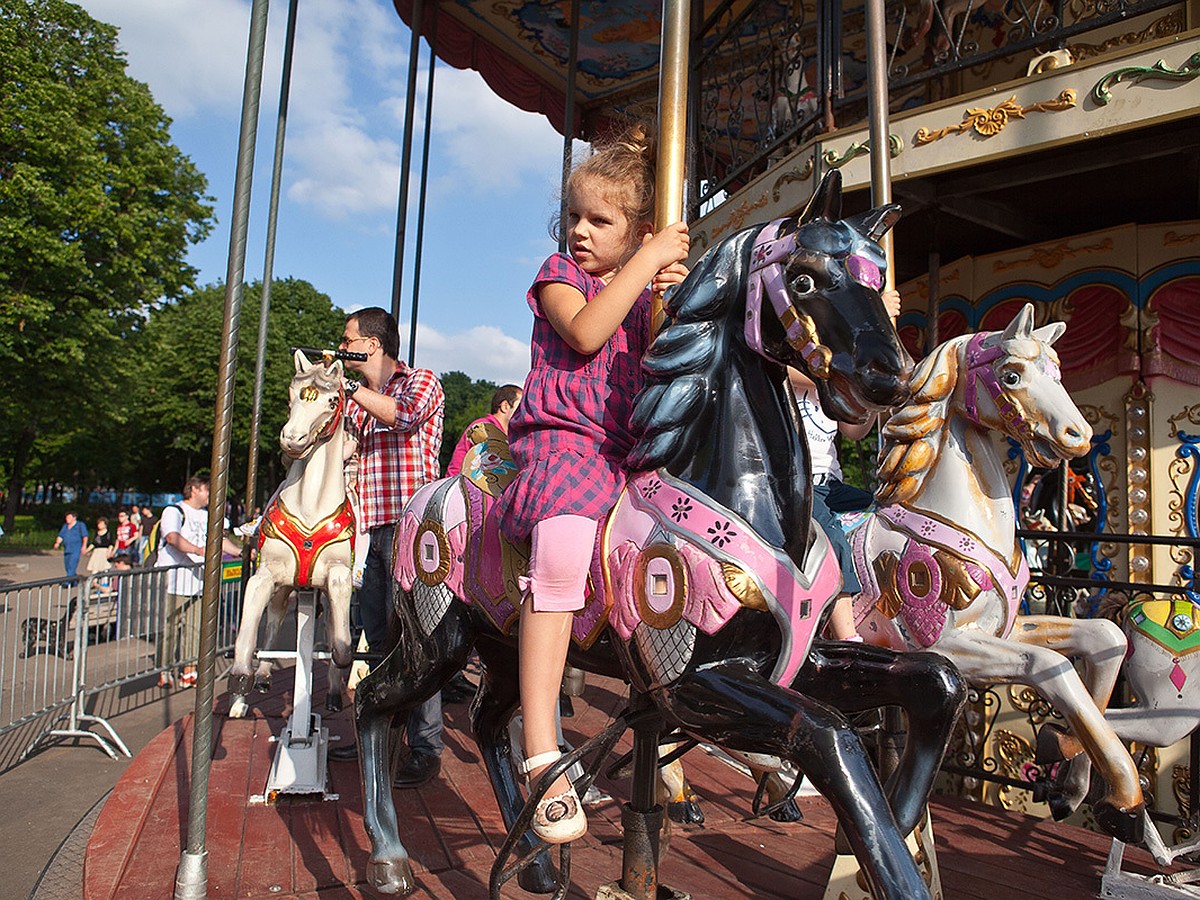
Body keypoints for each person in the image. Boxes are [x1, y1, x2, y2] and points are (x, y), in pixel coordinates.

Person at [492, 125, 689, 843]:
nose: (578, 230)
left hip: (626, 457)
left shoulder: (645, 294)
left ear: (632, 227)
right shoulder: (560, 278)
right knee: (569, 547)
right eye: (574, 215)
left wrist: (676, 289)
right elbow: (584, 335)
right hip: (561, 447)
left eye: (599, 220)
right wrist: (646, 263)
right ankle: (542, 750)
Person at [327, 307, 446, 790]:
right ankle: (381, 736)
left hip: (413, 529)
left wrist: (349, 386)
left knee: (417, 639)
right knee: (377, 640)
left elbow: (403, 416)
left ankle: (427, 744)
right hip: (373, 528)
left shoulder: (421, 381)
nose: (341, 345)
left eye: (347, 339)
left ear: (372, 345)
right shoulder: (358, 402)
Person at [788, 287, 902, 641]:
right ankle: (847, 638)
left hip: (831, 481)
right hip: (796, 481)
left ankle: (886, 611)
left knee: (888, 515)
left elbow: (854, 430)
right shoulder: (791, 362)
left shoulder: (837, 376)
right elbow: (809, 372)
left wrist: (870, 401)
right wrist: (875, 322)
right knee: (830, 535)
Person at [155, 476, 241, 688]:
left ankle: (189, 670)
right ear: (194, 490)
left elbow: (221, 540)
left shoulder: (209, 516)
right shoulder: (174, 511)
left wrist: (241, 552)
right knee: (170, 628)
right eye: (207, 490)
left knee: (195, 628)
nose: (211, 495)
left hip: (199, 581)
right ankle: (164, 669)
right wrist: (198, 550)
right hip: (175, 580)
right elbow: (172, 538)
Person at [445, 384, 523, 478]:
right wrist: (454, 485)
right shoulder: (483, 428)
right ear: (505, 406)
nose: (524, 411)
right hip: (466, 487)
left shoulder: (512, 436)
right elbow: (459, 460)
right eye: (520, 406)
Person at [53, 511, 89, 579]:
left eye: (69, 517)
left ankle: (67, 582)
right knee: (67, 566)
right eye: (66, 517)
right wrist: (57, 543)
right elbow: (61, 535)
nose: (67, 519)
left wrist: (84, 546)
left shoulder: (80, 525)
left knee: (72, 565)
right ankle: (74, 580)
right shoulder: (65, 526)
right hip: (67, 549)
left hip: (76, 549)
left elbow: (85, 536)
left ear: (74, 518)